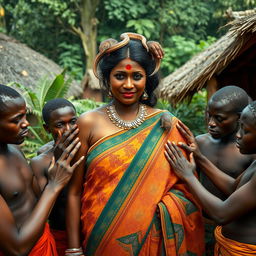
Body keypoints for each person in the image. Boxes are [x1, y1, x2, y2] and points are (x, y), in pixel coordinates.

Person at [66, 32, 205, 256]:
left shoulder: (165, 124)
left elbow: (186, 188)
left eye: (137, 77)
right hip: (100, 239)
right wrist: (73, 249)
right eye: (120, 76)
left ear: (147, 79)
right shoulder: (88, 123)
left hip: (155, 244)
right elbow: (73, 192)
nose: (128, 84)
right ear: (107, 79)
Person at [0, 84, 84, 255]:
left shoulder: (15, 150)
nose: (26, 124)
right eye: (16, 120)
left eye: (24, 116)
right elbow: (17, 248)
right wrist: (54, 185)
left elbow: (36, 202)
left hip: (45, 241)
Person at [165, 100, 256, 255]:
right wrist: (199, 157)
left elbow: (221, 214)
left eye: (245, 131)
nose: (238, 135)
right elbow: (233, 188)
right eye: (239, 126)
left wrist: (188, 176)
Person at [193, 86, 254, 255]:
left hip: (233, 229)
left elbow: (225, 207)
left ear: (239, 118)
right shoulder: (201, 143)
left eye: (219, 118)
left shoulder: (250, 154)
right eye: (209, 115)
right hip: (203, 224)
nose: (211, 123)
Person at [30, 98, 78, 256]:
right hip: (59, 235)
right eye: (60, 125)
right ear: (47, 128)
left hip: (92, 230)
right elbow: (43, 209)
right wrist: (58, 160)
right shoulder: (41, 161)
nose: (68, 129)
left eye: (72, 122)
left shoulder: (89, 151)